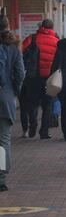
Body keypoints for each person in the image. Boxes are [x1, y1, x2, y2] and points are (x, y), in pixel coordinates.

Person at [22, 19, 59, 139]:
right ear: (52, 28)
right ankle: (44, 132)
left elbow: (21, 51)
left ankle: (33, 124)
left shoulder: (32, 38)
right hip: (50, 78)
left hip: (33, 77)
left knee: (32, 103)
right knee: (47, 105)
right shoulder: (57, 42)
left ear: (41, 27)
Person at [0, 15, 25, 191]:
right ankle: (1, 179)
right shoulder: (14, 48)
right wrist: (14, 92)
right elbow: (20, 74)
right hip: (5, 98)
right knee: (3, 140)